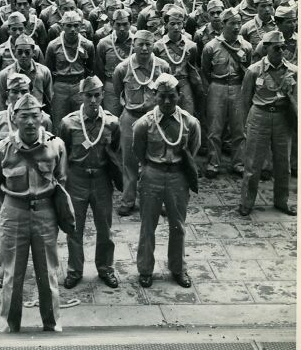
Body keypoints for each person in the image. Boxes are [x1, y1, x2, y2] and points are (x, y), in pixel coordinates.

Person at [0, 92, 67, 334]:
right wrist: (14, 203)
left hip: (45, 213)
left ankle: (52, 325)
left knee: (48, 273)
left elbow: (61, 179)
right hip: (14, 212)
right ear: (14, 118)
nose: (31, 122)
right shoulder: (2, 149)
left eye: (35, 115)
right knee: (12, 274)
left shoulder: (56, 146)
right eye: (24, 116)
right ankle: (9, 326)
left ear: (43, 117)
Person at [133, 73, 201, 289]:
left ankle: (178, 268)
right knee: (148, 226)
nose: (167, 101)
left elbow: (193, 150)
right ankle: (145, 270)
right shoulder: (144, 124)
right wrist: (149, 169)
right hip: (152, 174)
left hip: (178, 177)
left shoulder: (190, 122)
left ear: (179, 95)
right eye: (161, 96)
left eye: (172, 96)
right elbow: (138, 151)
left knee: (178, 226)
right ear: (154, 96)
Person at [59, 75, 121, 289]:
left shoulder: (112, 123)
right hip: (77, 178)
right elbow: (63, 150)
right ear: (81, 96)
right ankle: (74, 270)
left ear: (103, 95)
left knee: (104, 227)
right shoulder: (69, 123)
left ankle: (105, 268)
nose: (93, 100)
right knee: (74, 228)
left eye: (97, 95)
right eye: (88, 96)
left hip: (102, 179)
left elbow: (115, 149)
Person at [111, 30, 171, 215]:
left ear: (154, 46)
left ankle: (158, 200)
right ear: (133, 45)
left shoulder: (163, 67)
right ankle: (128, 200)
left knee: (158, 160)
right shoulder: (122, 68)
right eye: (140, 44)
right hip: (131, 117)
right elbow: (118, 91)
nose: (144, 48)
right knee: (129, 160)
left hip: (155, 118)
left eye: (148, 44)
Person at [238, 31, 297, 217]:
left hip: (282, 117)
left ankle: (282, 201)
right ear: (266, 48)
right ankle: (247, 202)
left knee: (283, 163)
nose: (281, 51)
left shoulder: (293, 71)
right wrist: (244, 125)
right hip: (259, 115)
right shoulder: (254, 70)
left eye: (283, 47)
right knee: (253, 163)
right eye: (276, 47)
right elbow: (245, 99)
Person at [199, 9, 253, 179]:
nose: (237, 27)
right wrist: (213, 86)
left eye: (239, 23)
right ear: (223, 24)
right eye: (232, 23)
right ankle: (213, 163)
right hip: (218, 86)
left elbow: (248, 70)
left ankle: (238, 163)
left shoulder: (246, 46)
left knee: (239, 128)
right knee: (215, 128)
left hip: (238, 87)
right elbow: (205, 70)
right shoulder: (211, 46)